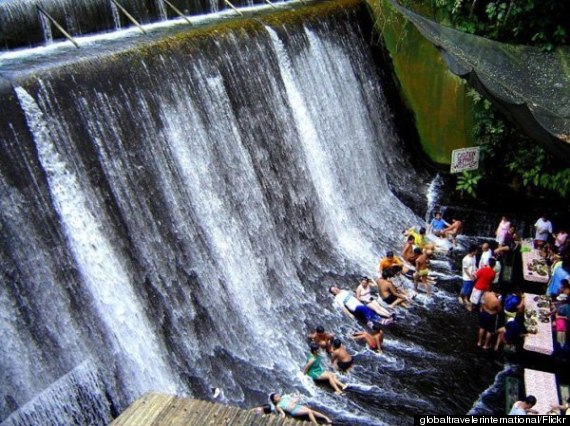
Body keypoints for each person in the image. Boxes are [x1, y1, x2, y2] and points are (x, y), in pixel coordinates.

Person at [329, 286, 394, 327]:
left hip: (359, 304)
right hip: (355, 308)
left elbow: (354, 297)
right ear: (334, 293)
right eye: (334, 290)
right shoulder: (337, 298)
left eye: (335, 288)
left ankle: (377, 321)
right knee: (364, 309)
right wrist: (350, 314)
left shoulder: (344, 291)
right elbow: (343, 308)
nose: (336, 289)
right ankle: (381, 320)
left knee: (368, 309)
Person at [477, 284, 501, 350]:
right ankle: (486, 345)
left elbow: (482, 302)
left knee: (482, 327)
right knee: (489, 331)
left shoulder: (486, 293)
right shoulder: (497, 301)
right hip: (491, 315)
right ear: (498, 292)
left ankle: (479, 342)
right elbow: (499, 310)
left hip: (484, 312)